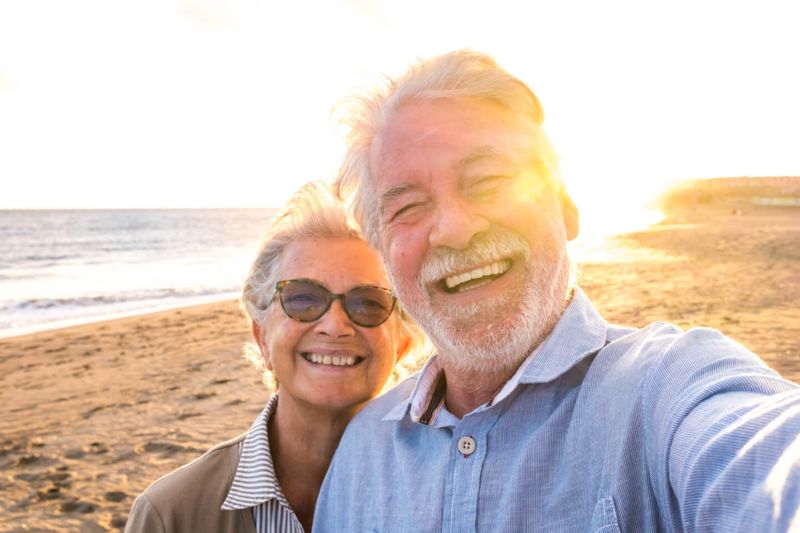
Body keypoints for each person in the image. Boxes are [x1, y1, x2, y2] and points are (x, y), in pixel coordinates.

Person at [313, 50, 800, 532]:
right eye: (408, 207)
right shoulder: (361, 455)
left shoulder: (665, 386)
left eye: (488, 181)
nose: (456, 229)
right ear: (385, 257)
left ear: (565, 208)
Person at [124, 182, 424, 533]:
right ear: (262, 336)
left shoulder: (437, 496)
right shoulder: (171, 515)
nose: (334, 325)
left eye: (368, 303)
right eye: (302, 298)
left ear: (402, 343)